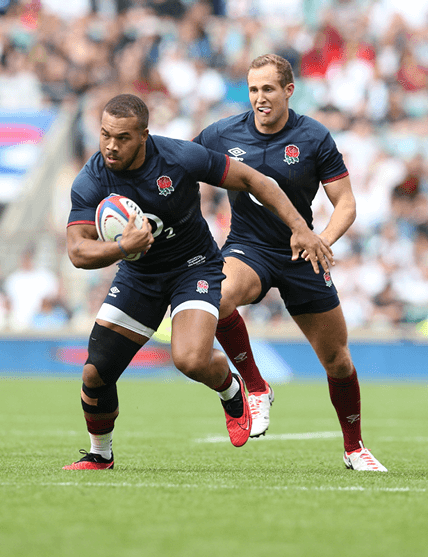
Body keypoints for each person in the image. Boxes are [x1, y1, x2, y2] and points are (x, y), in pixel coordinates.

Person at [64, 93, 331, 470]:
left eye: (122, 138)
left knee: (189, 360)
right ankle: (100, 454)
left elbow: (254, 180)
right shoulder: (92, 179)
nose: (110, 145)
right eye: (105, 134)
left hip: (194, 268)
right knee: (95, 374)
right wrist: (123, 247)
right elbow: (77, 251)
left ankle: (231, 389)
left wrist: (300, 228)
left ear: (144, 135)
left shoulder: (179, 157)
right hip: (140, 276)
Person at [194, 54, 387, 471]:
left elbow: (346, 203)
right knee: (217, 296)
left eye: (268, 88)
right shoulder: (221, 134)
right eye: (253, 89)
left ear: (288, 90)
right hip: (249, 248)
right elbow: (179, 166)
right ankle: (256, 387)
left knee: (337, 360)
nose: (259, 97)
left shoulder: (314, 137)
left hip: (302, 254)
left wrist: (322, 241)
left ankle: (354, 448)